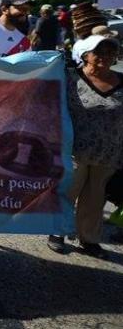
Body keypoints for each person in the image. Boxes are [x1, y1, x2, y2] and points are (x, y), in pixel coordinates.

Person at [47, 34, 122, 259]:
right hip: (73, 150)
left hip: (109, 153)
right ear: (86, 55)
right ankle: (57, 233)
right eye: (99, 52)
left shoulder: (121, 80)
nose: (105, 56)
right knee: (67, 191)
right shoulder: (70, 78)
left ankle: (89, 239)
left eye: (110, 52)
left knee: (95, 198)